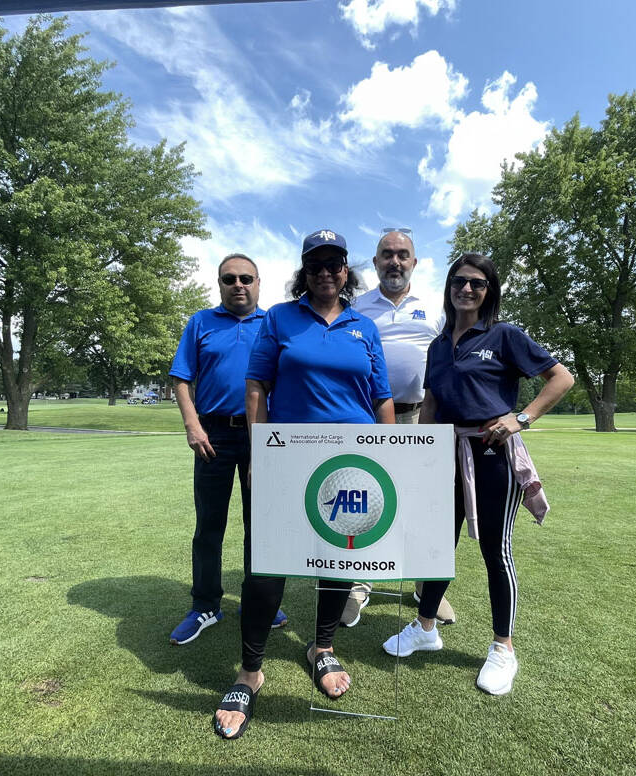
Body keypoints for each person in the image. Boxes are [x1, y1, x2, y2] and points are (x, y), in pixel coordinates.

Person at [213, 229, 395, 740]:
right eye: (314, 264)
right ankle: (250, 672)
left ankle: (323, 647)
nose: (325, 272)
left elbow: (381, 397)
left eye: (334, 263)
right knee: (266, 566)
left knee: (340, 558)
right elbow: (257, 387)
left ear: (346, 270)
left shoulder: (364, 326)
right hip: (290, 461)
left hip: (353, 463)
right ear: (304, 271)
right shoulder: (279, 318)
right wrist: (259, 452)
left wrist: (391, 454)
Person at [382, 253, 573, 696]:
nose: (467, 289)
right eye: (460, 281)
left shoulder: (504, 336)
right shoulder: (438, 344)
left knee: (495, 549)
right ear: (449, 287)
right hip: (445, 453)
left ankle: (503, 648)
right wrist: (419, 452)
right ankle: (426, 627)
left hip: (492, 453)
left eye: (478, 283)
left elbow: (560, 379)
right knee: (435, 546)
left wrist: (521, 419)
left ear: (489, 292)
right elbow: (430, 404)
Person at [168, 253, 287, 645]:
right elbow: (182, 379)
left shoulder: (272, 324)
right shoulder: (201, 322)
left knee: (263, 527)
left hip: (262, 437)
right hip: (213, 436)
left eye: (246, 278)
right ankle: (205, 604)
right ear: (219, 284)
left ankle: (258, 601)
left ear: (258, 283)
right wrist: (192, 425)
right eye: (229, 279)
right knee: (209, 527)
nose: (239, 285)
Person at [342, 227, 456, 628]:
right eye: (387, 254)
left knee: (426, 504)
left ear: (414, 262)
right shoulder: (354, 305)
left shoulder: (437, 307)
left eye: (402, 254)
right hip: (366, 416)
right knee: (363, 500)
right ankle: (358, 585)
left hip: (424, 414)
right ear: (375, 263)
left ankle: (428, 589)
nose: (395, 261)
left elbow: (451, 359)